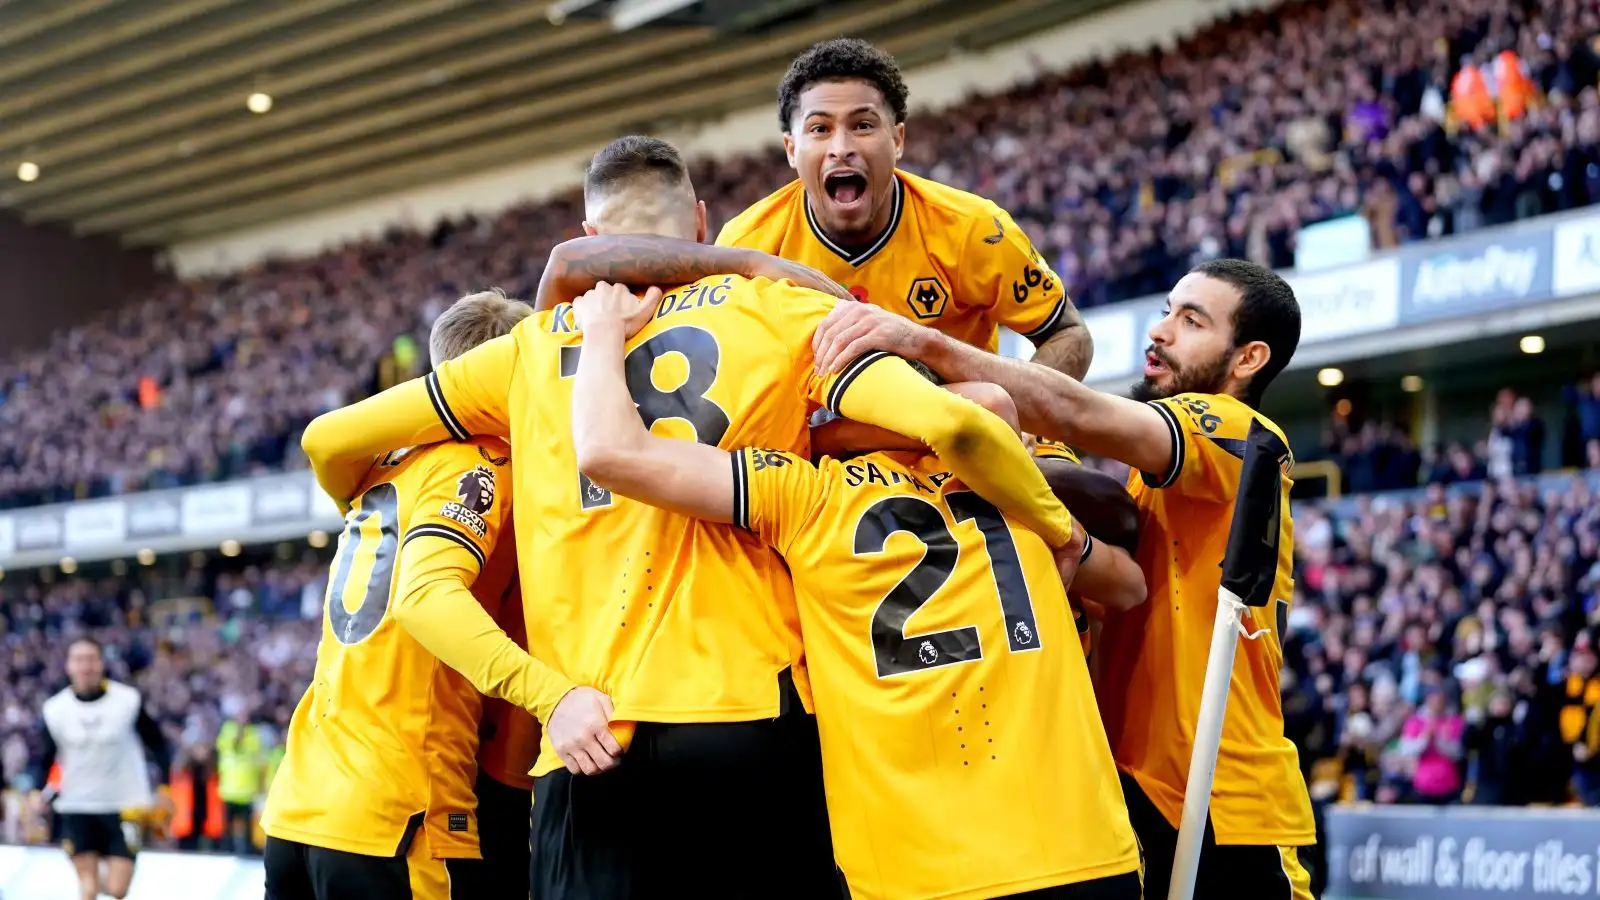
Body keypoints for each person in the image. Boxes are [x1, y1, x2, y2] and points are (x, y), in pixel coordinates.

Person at [298, 135, 1081, 900]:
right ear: (702, 223)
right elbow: (955, 421)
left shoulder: (527, 351)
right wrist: (1057, 526)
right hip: (753, 714)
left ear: (593, 237)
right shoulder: (780, 308)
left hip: (590, 732)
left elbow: (329, 438)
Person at [566, 280, 1144, 900]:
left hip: (915, 874)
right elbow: (1128, 586)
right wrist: (1064, 534)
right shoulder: (1016, 488)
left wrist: (601, 331)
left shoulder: (806, 496)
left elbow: (610, 451)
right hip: (1084, 850)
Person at [809, 258, 1316, 900]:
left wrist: (922, 343)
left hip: (1223, 798)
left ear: (1248, 359)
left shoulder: (1242, 434)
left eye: (1192, 321)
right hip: (1144, 785)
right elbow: (1131, 593)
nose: (1161, 330)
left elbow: (1073, 411)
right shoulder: (1160, 481)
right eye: (1167, 311)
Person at [262, 292, 583, 900]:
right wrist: (554, 696)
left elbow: (323, 445)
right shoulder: (481, 464)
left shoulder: (383, 463)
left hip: (302, 808)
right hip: (398, 815)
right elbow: (426, 597)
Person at [531, 39, 1091, 381]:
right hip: (828, 479)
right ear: (791, 149)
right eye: (820, 129)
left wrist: (1023, 416)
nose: (841, 147)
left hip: (969, 447)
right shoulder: (748, 243)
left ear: (897, 139)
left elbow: (1068, 335)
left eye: (863, 125)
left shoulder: (973, 229)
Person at [31, 638, 173, 900]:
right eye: (79, 660)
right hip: (76, 805)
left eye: (91, 659)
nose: (85, 666)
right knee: (88, 888)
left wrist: (164, 787)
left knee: (118, 889)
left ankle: (102, 877)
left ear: (101, 663)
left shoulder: (128, 701)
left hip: (124, 805)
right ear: (68, 666)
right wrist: (35, 792)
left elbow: (158, 744)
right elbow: (45, 756)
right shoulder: (55, 709)